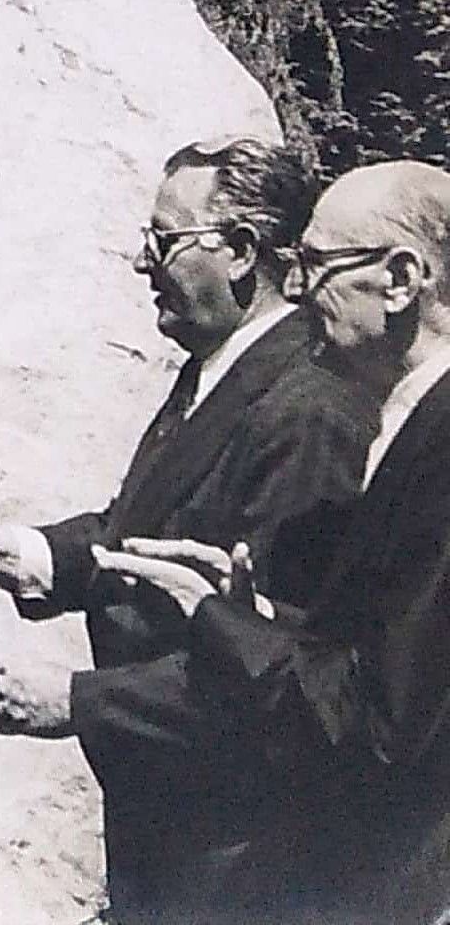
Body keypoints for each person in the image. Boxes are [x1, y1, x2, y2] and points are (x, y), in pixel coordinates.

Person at [0, 135, 372, 923]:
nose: (142, 263)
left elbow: (286, 673)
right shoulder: (222, 369)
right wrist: (21, 553)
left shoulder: (306, 411)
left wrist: (78, 702)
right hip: (176, 840)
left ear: (239, 252)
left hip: (245, 859)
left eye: (162, 242)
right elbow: (149, 535)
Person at [77, 161, 450, 925]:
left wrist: (213, 618)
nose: (300, 291)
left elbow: (375, 720)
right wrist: (258, 610)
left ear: (402, 278)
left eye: (314, 265)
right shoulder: (411, 419)